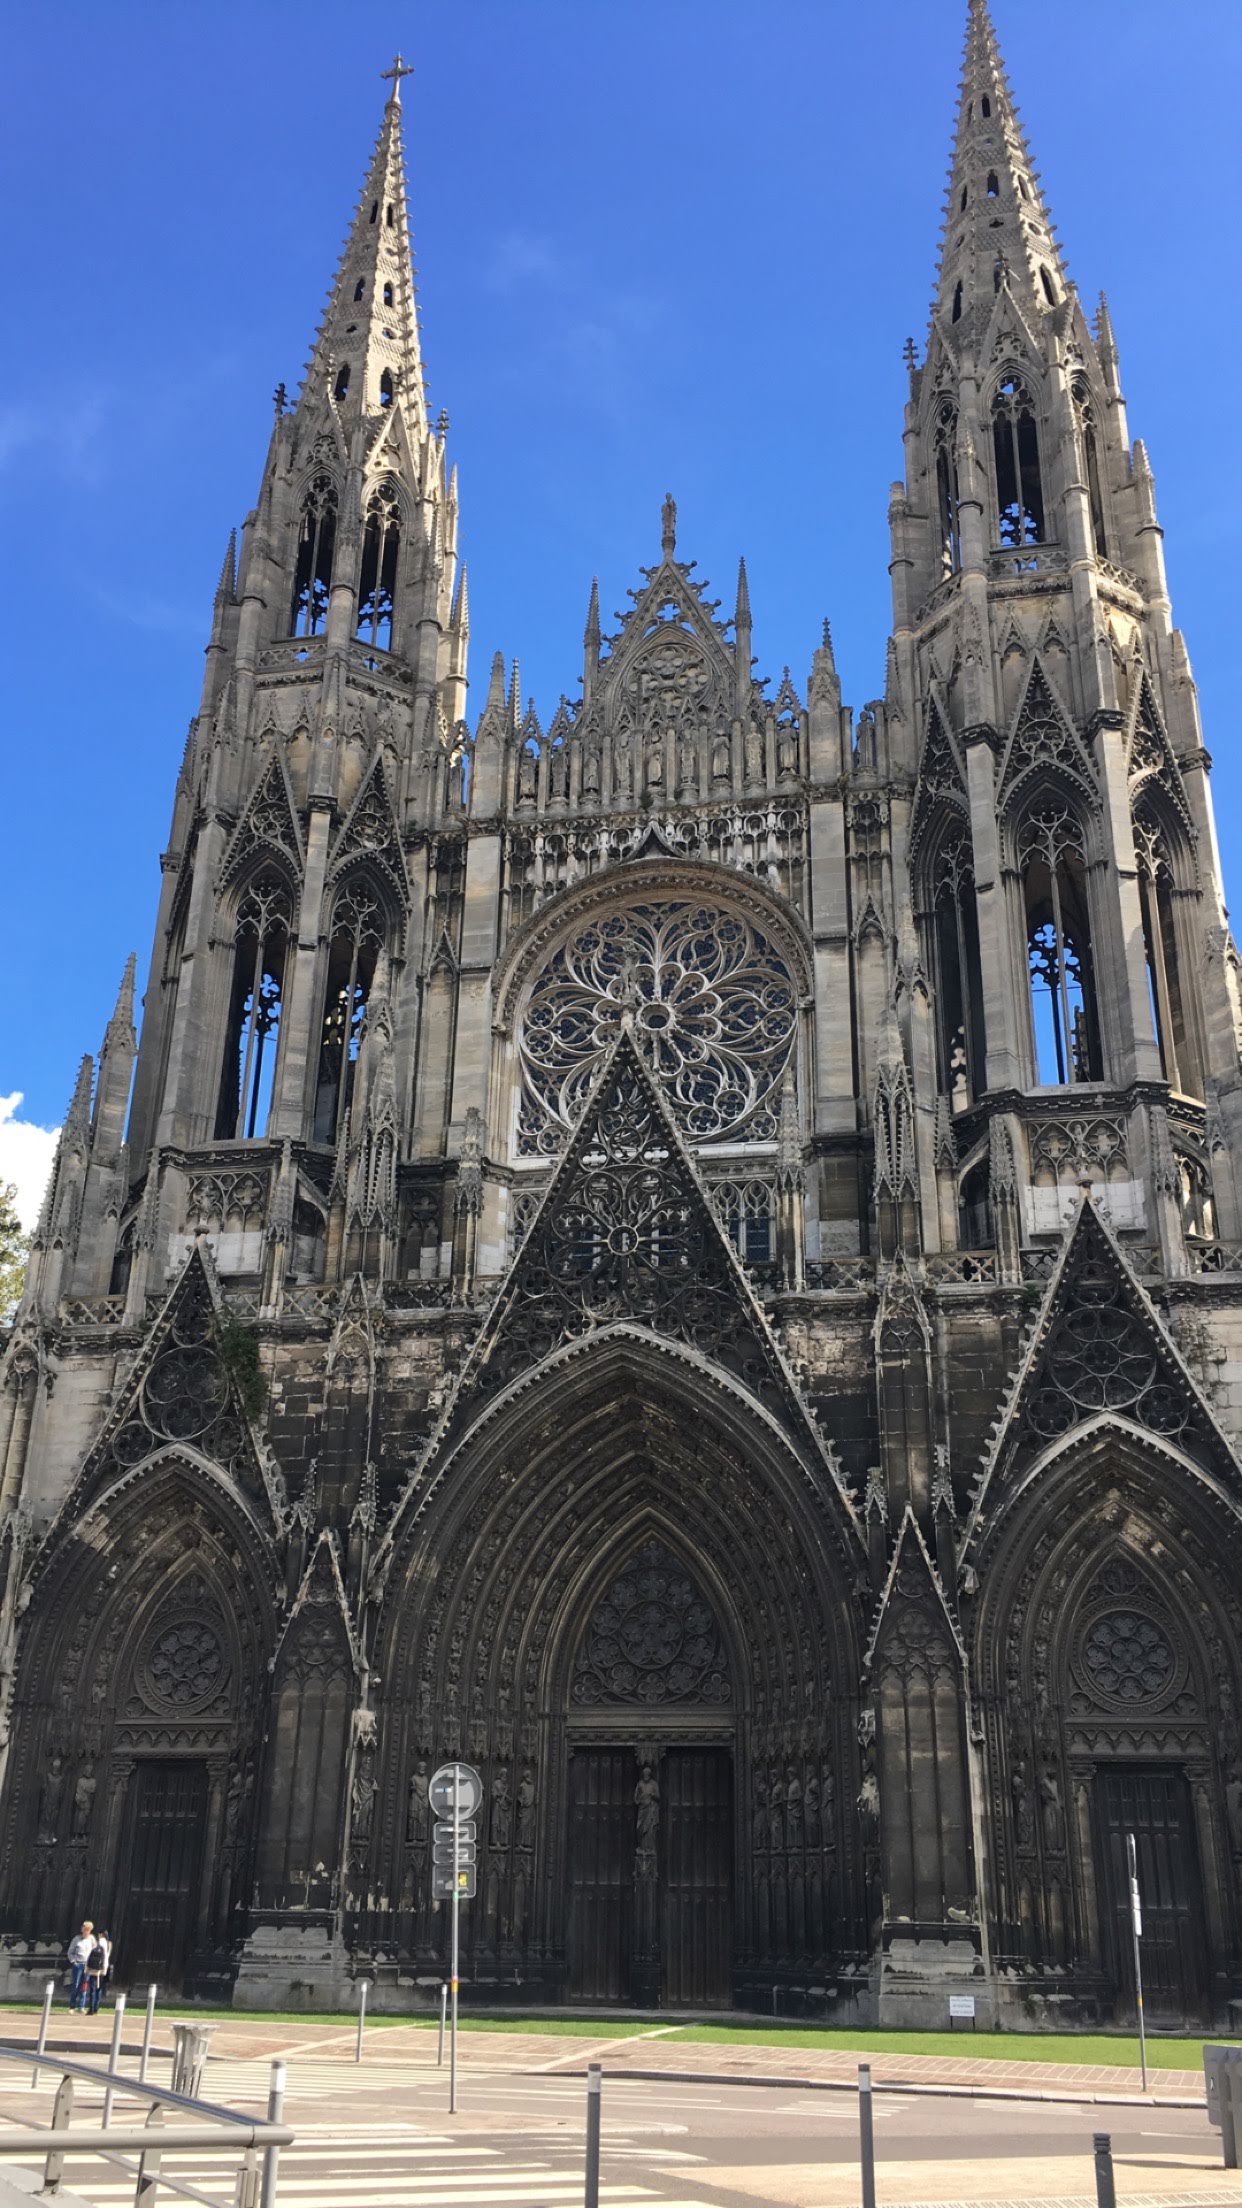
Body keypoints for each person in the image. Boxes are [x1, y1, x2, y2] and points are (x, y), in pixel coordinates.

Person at [66, 1920, 94, 2012]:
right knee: (76, 1984)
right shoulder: (76, 1939)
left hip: (87, 1965)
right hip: (78, 1964)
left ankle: (81, 2006)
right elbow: (70, 1952)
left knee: (84, 1985)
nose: (84, 1931)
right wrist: (74, 1961)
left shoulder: (91, 1939)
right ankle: (72, 2006)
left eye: (86, 1929)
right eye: (83, 1928)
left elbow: (95, 1951)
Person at [85, 1928, 111, 2014]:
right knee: (99, 1989)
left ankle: (91, 2008)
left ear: (100, 1934)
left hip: (95, 1968)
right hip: (103, 1968)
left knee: (92, 1988)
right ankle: (96, 2007)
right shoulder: (108, 1944)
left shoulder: (98, 1943)